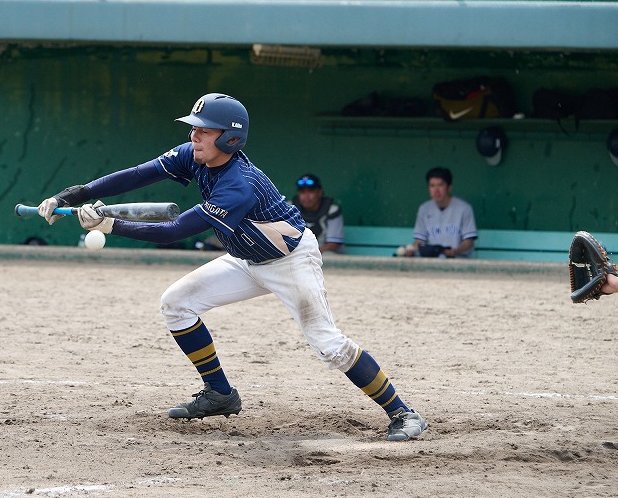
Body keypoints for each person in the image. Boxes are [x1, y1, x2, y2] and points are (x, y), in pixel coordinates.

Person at [37, 92, 427, 441]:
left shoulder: (238, 184)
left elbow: (174, 231)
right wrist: (73, 194)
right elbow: (139, 175)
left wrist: (110, 225)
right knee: (176, 303)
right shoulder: (193, 155)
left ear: (230, 139)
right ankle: (220, 394)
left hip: (290, 261)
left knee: (329, 346)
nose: (194, 136)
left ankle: (403, 413)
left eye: (204, 131)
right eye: (194, 129)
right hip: (245, 258)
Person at [405, 166, 477, 258]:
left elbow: (468, 241)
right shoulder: (424, 209)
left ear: (449, 187)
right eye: (432, 186)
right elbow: (420, 240)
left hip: (458, 260)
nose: (436, 190)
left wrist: (455, 251)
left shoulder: (464, 208)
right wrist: (411, 250)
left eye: (440, 185)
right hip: (432, 261)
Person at [291, 173, 345, 254]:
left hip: (323, 255)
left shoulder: (331, 210)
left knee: (328, 254)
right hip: (298, 255)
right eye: (302, 192)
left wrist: (310, 254)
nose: (306, 196)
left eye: (310, 191)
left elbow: (332, 245)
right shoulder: (290, 209)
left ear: (319, 192)